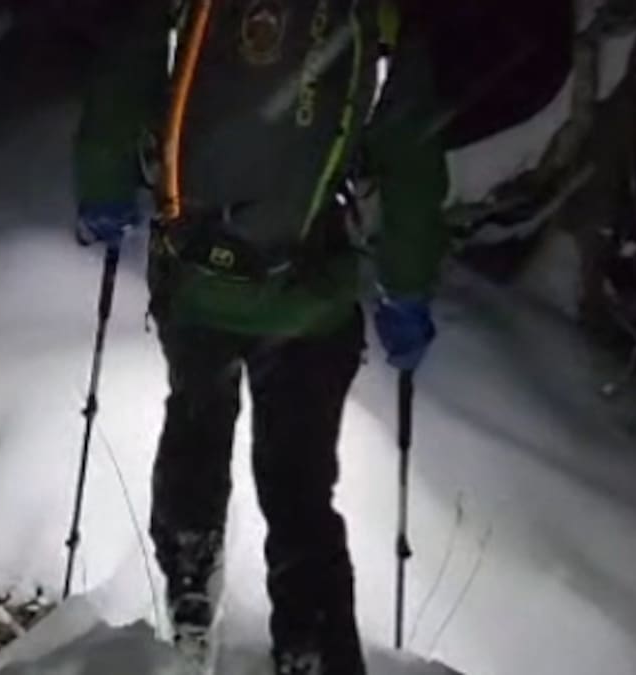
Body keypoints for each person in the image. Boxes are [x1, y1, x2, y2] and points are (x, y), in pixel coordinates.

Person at [73, 1, 448, 673]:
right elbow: (412, 164)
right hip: (310, 295)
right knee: (299, 481)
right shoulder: (376, 20)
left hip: (196, 280)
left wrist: (104, 188)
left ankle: (190, 574)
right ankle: (310, 642)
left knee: (196, 415)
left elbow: (121, 84)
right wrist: (407, 288)